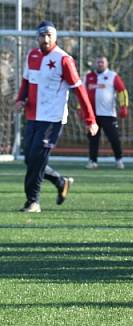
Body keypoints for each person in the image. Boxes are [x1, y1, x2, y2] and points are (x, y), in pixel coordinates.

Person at [14, 21, 98, 213]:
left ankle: (32, 201)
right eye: (42, 35)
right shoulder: (32, 56)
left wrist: (90, 119)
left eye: (49, 35)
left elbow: (80, 91)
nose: (45, 39)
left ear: (55, 37)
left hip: (53, 118)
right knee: (30, 158)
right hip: (33, 116)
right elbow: (26, 81)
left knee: (37, 157)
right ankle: (61, 182)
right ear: (37, 37)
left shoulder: (64, 60)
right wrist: (21, 99)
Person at [83, 55, 129, 169]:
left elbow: (122, 91)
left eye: (102, 62)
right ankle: (93, 161)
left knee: (114, 138)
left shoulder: (112, 76)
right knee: (93, 138)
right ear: (95, 63)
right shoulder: (88, 77)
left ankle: (119, 160)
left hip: (108, 114)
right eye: (98, 62)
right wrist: (81, 108)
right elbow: (82, 93)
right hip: (93, 115)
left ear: (107, 63)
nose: (100, 64)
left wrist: (124, 107)